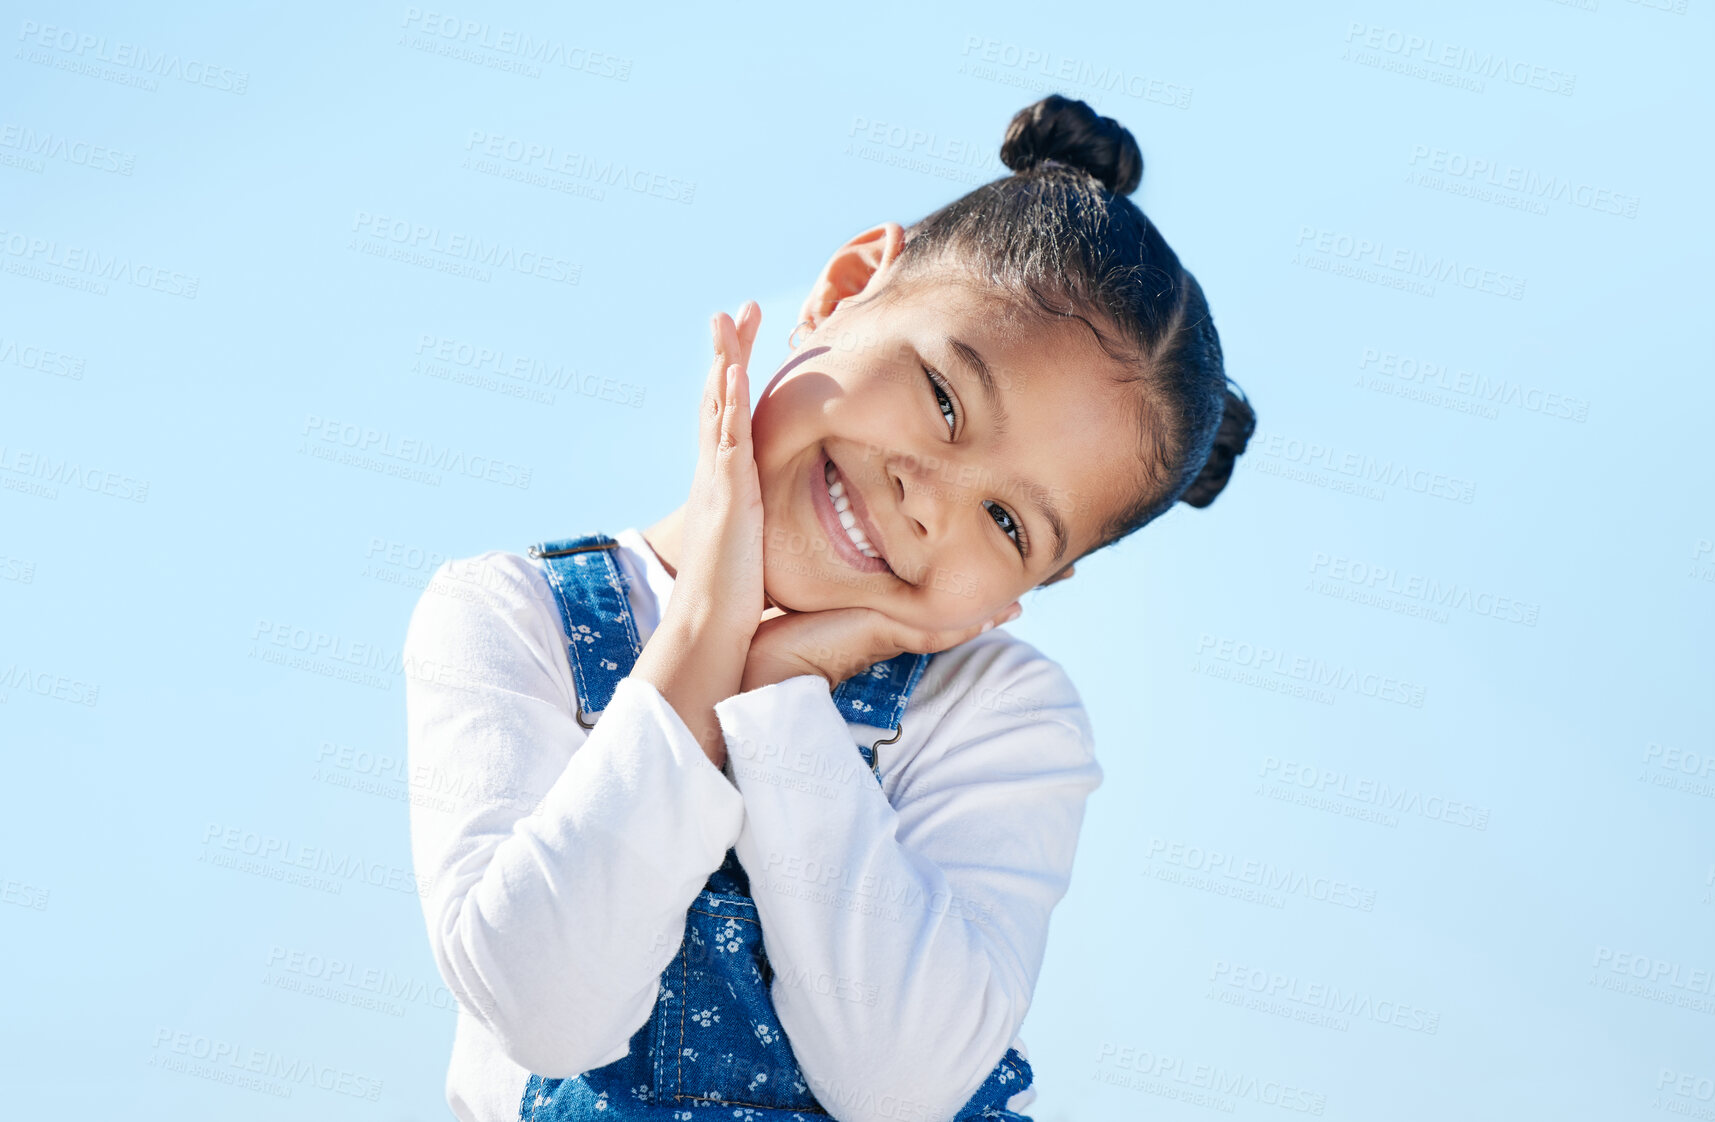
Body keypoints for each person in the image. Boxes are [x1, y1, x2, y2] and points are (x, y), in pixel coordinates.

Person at [403, 93, 1257, 1122]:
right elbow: (545, 1010)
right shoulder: (516, 616)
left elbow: (895, 1086)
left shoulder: (999, 714)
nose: (928, 504)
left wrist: (781, 701)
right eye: (945, 400)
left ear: (1030, 590)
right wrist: (705, 634)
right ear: (848, 286)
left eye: (1005, 522)